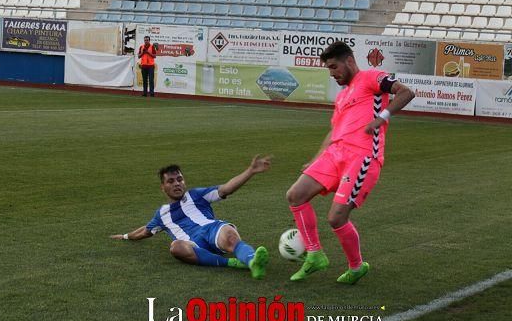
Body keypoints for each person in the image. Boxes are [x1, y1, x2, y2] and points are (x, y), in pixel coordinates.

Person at [285, 41, 414, 284]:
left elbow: (406, 92)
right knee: (295, 195)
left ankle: (356, 266)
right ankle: (314, 254)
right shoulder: (343, 96)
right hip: (335, 154)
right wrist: (314, 160)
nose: (332, 74)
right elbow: (334, 131)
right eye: (329, 70)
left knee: (336, 218)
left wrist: (381, 118)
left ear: (350, 61)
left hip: (363, 156)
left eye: (334, 67)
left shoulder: (371, 77)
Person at [110, 155, 271, 279]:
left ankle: (252, 261)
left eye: (179, 179)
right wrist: (125, 236)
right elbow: (145, 231)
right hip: (193, 244)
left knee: (229, 233)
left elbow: (225, 189)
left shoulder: (196, 195)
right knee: (176, 247)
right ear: (163, 187)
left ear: (184, 182)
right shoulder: (162, 214)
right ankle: (232, 263)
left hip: (212, 231)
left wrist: (250, 171)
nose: (176, 184)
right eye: (171, 181)